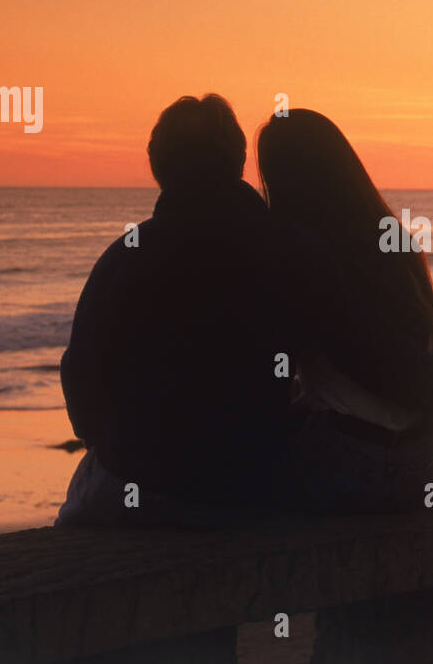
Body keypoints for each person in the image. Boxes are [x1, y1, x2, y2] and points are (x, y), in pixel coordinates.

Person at [55, 94, 296, 528]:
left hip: (144, 484)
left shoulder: (126, 258)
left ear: (157, 167)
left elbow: (82, 391)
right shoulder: (281, 252)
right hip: (256, 486)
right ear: (239, 160)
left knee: (77, 509)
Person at [257, 109, 433, 514]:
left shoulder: (298, 253)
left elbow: (356, 356)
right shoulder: (389, 236)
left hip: (352, 466)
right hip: (422, 464)